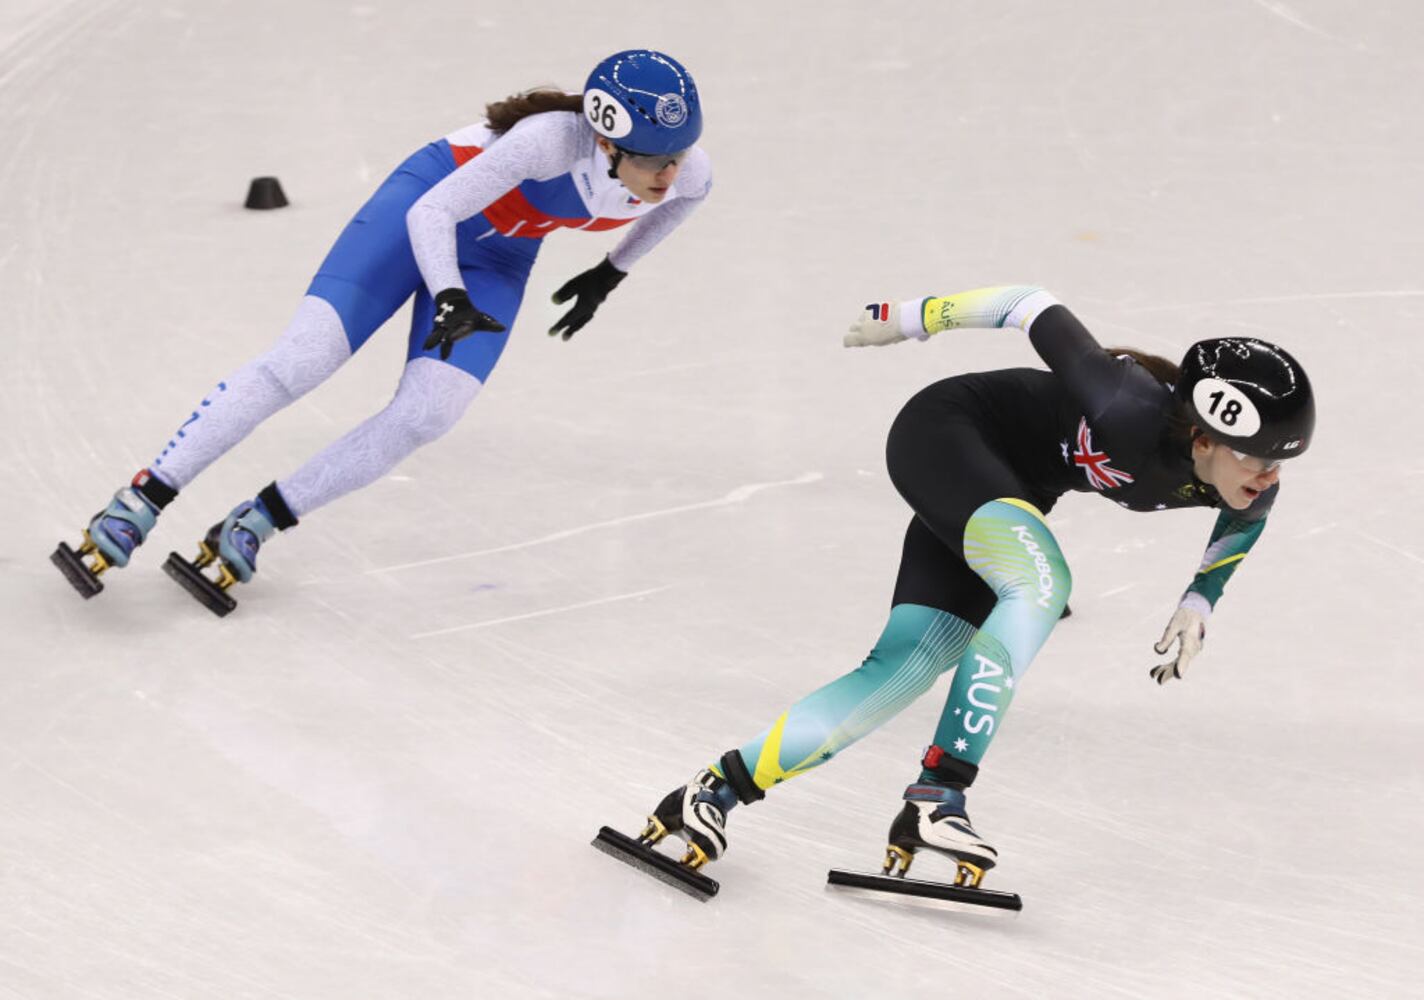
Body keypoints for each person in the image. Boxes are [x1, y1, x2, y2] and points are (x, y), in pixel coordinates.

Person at [627, 285, 1315, 889]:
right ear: (1202, 437)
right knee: (1041, 584)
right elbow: (1030, 302)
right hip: (947, 433)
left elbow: (1241, 526)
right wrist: (909, 319)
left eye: (1283, 462)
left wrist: (1198, 602)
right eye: (1257, 456)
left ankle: (713, 790)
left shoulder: (1248, 484)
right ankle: (939, 796)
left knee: (905, 664)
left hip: (1004, 493)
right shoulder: (1124, 401)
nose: (1268, 477)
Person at [52, 49, 711, 605]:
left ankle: (255, 522)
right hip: (424, 209)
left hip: (499, 252)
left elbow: (684, 203)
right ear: (604, 141)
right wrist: (448, 293)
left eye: (677, 155)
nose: (670, 172)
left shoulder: (684, 174)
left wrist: (610, 271)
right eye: (656, 159)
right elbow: (431, 213)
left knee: (428, 414)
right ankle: (141, 500)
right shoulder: (546, 142)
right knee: (303, 360)